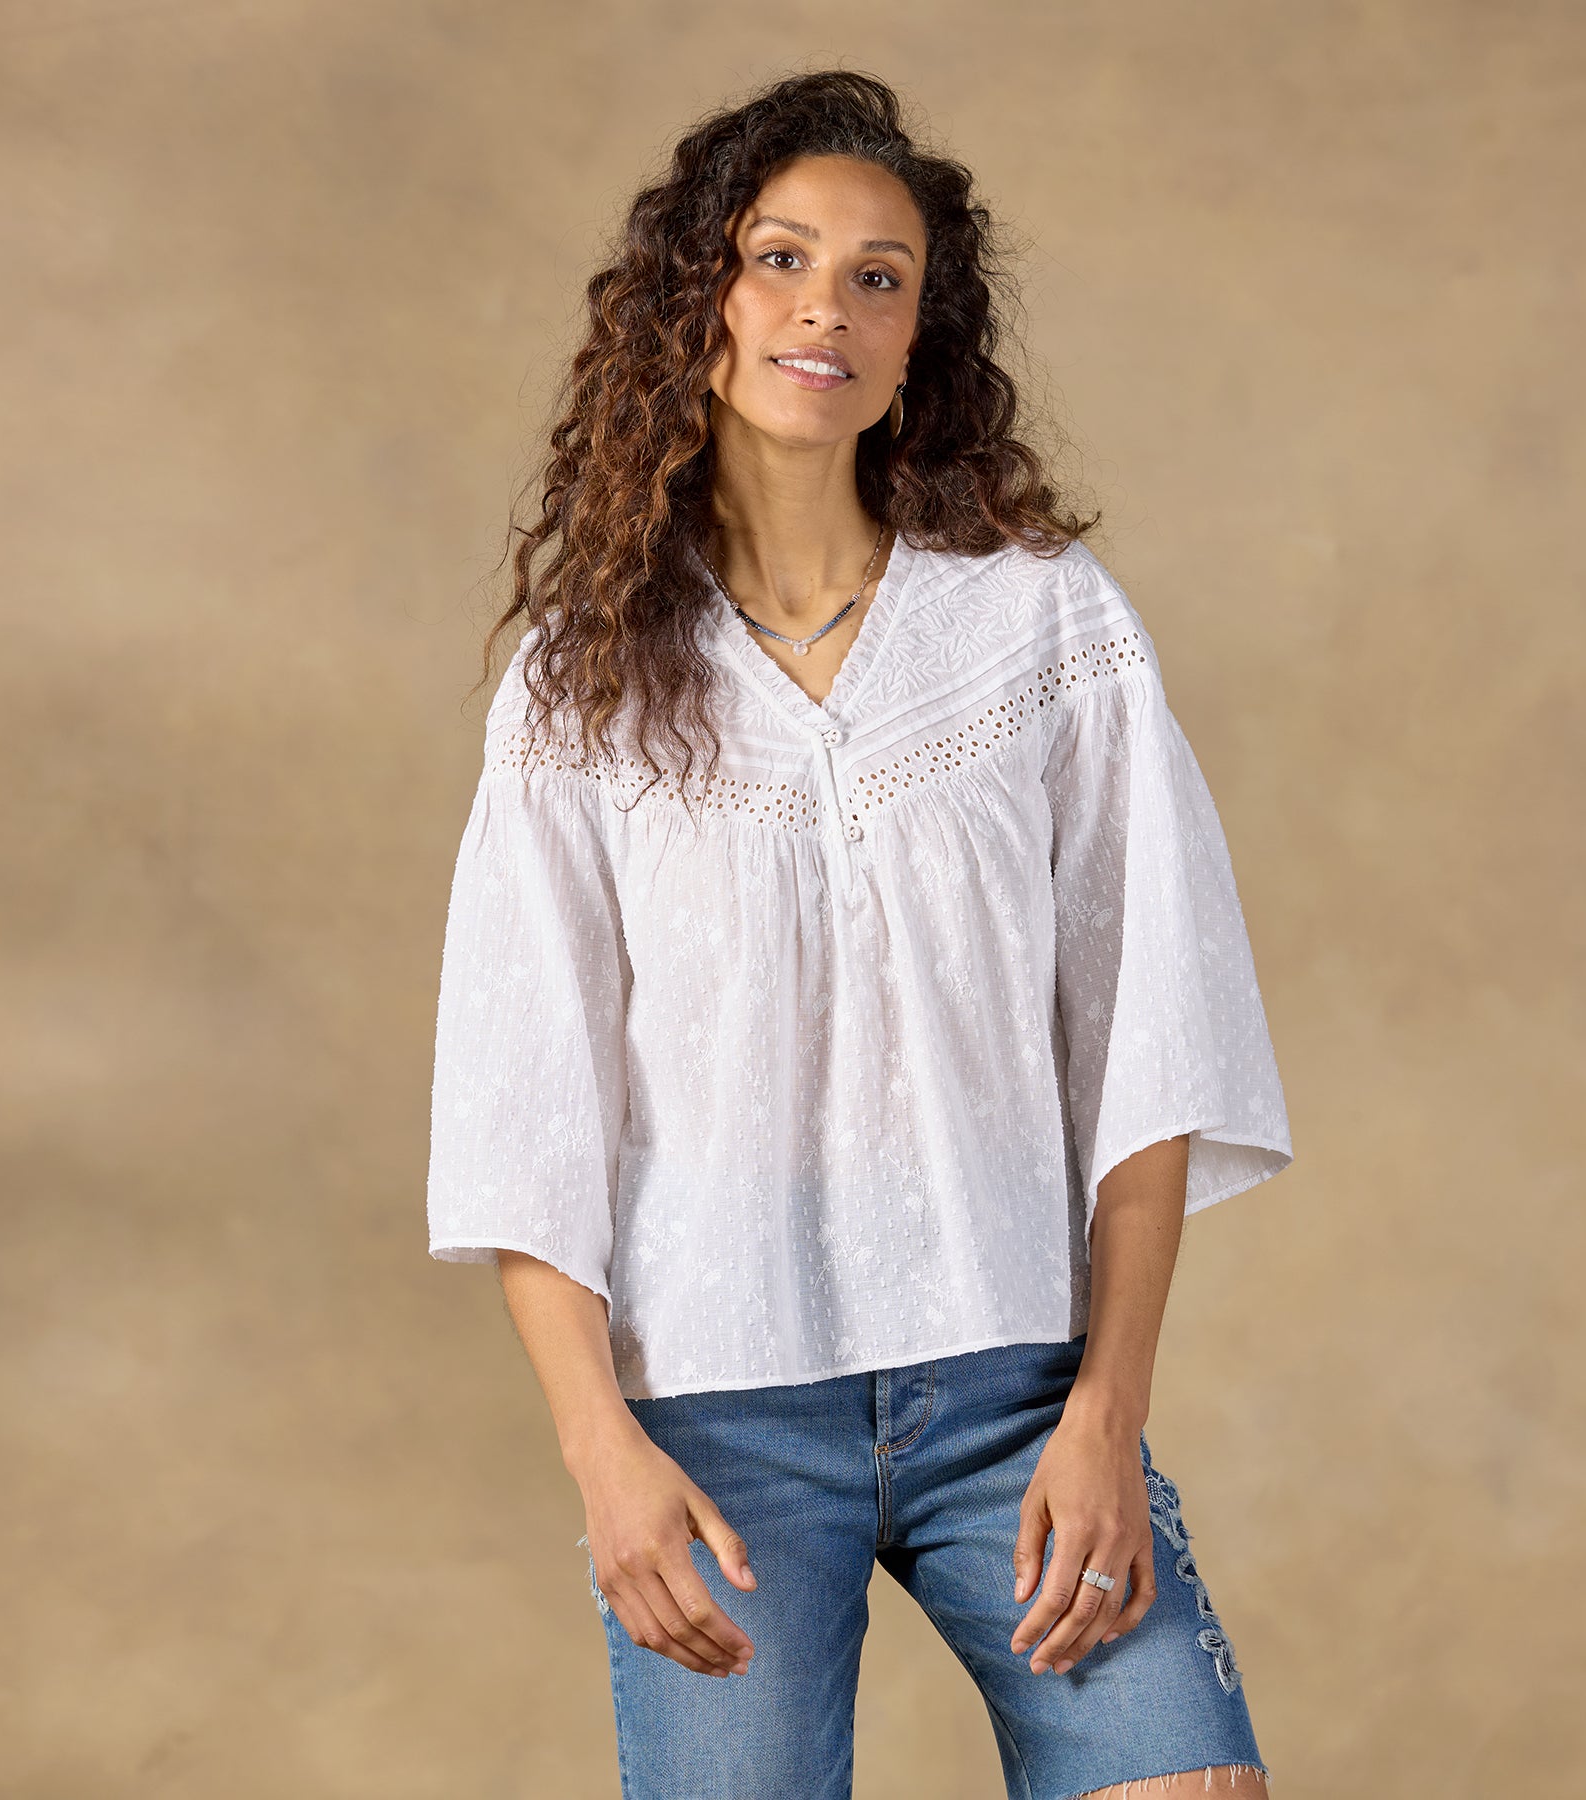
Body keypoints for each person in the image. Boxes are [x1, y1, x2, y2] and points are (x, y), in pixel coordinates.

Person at [426, 68, 1291, 1800]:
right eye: (782, 259)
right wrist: (603, 1457)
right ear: (699, 303)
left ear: (916, 343)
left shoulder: (1042, 626)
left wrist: (1106, 1411)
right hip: (716, 1414)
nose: (826, 307)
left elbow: (1152, 1035)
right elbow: (527, 1108)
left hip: (1015, 1389)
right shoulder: (581, 687)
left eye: (879, 278)